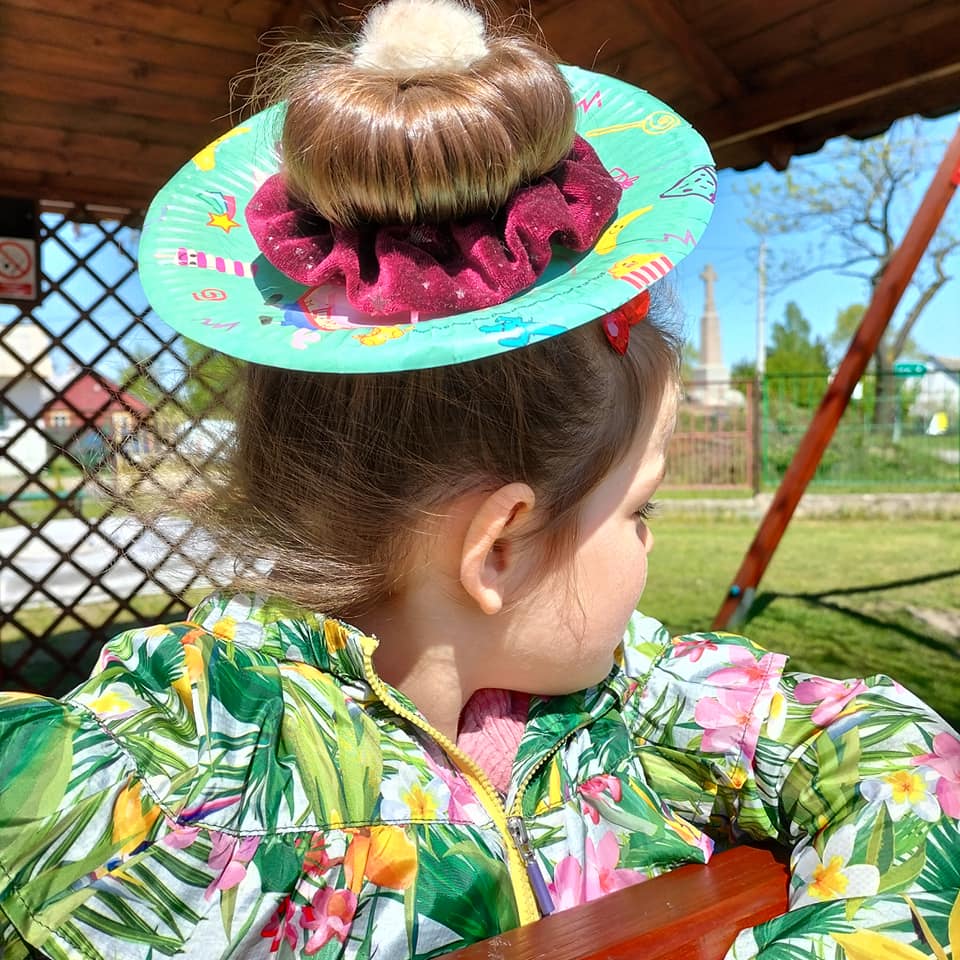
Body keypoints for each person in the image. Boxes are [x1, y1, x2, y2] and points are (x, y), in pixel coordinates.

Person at [1, 1, 958, 958]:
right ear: (498, 545)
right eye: (641, 508)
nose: (651, 541)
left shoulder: (629, 699)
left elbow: (905, 753)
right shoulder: (161, 773)